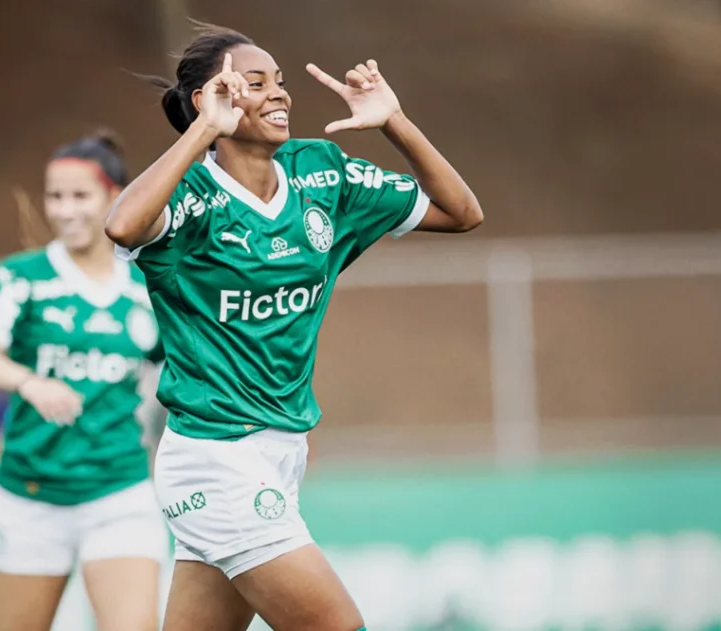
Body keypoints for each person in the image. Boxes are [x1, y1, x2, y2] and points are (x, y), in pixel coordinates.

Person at [105, 23, 483, 631]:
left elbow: (461, 212)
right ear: (209, 99)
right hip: (217, 459)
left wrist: (394, 122)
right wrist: (204, 131)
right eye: (255, 84)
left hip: (281, 454)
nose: (279, 94)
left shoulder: (321, 173)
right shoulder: (191, 195)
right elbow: (122, 226)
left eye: (279, 82)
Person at [0, 130, 169, 631]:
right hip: (29, 498)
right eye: (55, 196)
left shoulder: (147, 286)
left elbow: (183, 369)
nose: (64, 209)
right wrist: (28, 382)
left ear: (115, 197)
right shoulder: (24, 277)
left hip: (119, 492)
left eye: (80, 196)